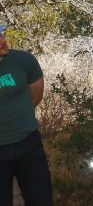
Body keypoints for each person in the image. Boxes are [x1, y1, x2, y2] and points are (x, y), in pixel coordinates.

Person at [0, 24, 53, 206]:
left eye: (1, 34)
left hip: (28, 144)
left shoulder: (24, 61)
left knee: (41, 200)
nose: (2, 41)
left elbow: (35, 95)